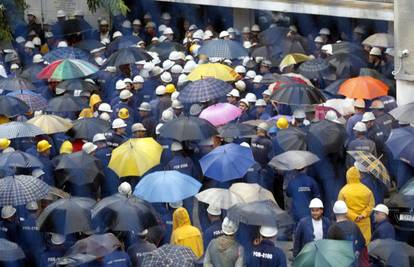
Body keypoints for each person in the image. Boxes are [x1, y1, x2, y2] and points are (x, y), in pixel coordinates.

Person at [338, 166, 375, 244]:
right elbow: (371, 206)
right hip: (364, 222)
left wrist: (354, 216)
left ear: (347, 176)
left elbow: (341, 207)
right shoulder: (367, 190)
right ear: (359, 176)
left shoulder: (343, 191)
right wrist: (363, 215)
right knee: (364, 245)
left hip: (350, 222)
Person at [327, 200, 367, 266]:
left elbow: (329, 250)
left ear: (334, 212)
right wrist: (356, 253)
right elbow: (362, 242)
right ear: (346, 212)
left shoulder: (332, 229)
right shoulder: (354, 226)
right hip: (353, 262)